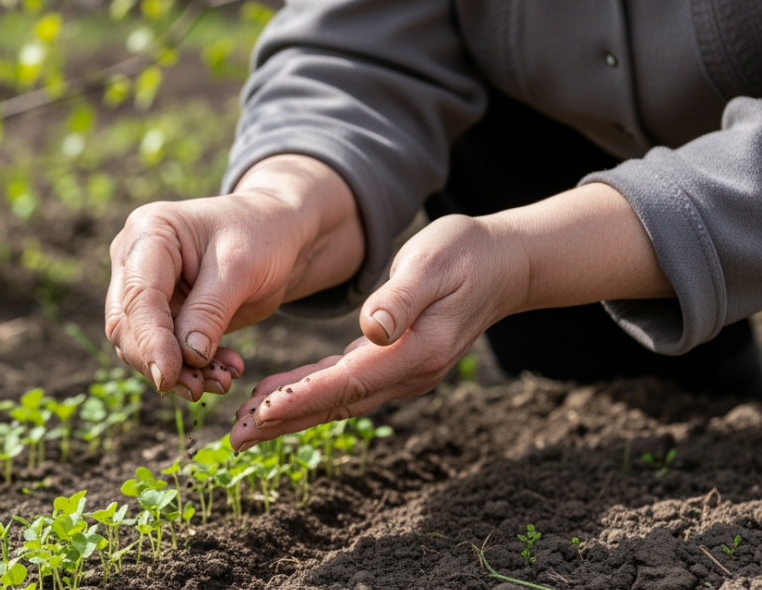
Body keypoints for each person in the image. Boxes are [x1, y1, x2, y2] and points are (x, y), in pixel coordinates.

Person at [103, 0, 762, 453]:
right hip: (565, 152)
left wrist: (524, 260)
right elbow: (364, 45)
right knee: (633, 412)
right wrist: (280, 208)